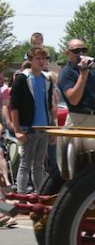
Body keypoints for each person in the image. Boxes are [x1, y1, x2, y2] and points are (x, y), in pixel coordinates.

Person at [10, 47, 55, 194]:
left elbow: (49, 106)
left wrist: (52, 129)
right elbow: (14, 107)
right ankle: (22, 194)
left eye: (44, 59)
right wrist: (17, 130)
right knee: (25, 164)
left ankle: (40, 194)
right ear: (30, 61)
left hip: (43, 128)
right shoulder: (22, 79)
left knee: (39, 165)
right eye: (38, 59)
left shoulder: (47, 79)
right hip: (28, 129)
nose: (42, 61)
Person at [58, 39, 95, 129]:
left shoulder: (90, 70)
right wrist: (83, 75)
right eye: (76, 51)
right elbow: (74, 100)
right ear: (67, 53)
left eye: (83, 50)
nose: (80, 54)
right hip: (81, 119)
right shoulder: (66, 72)